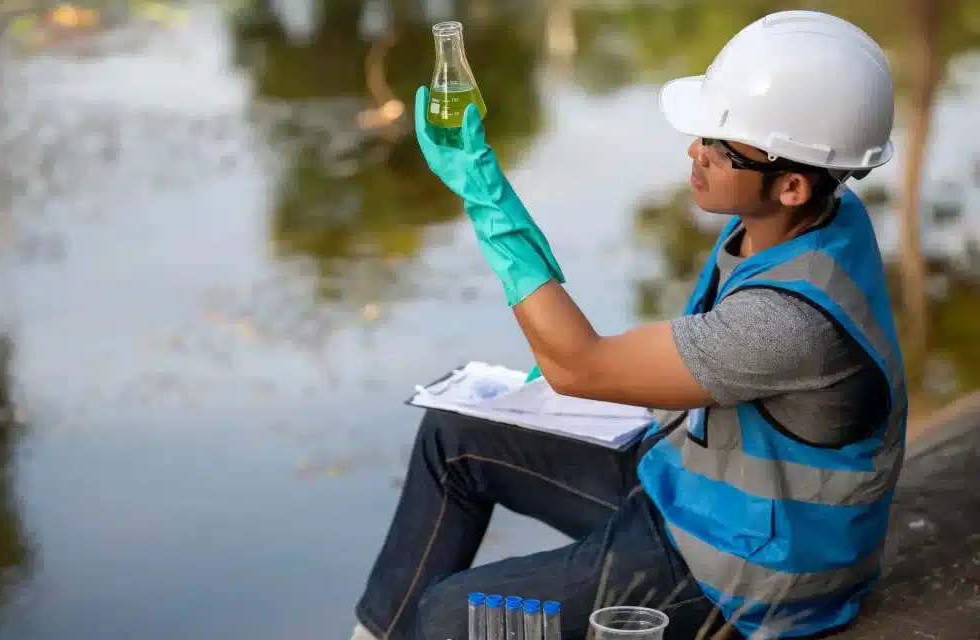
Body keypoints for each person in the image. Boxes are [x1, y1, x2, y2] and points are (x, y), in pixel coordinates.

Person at [350, 9, 906, 640]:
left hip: (746, 571)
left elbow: (579, 365)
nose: (693, 153)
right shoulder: (800, 223)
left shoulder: (786, 322)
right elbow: (611, 366)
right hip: (696, 492)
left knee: (455, 617)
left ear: (793, 185)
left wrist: (485, 200)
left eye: (719, 149)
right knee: (456, 437)